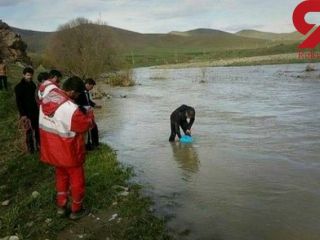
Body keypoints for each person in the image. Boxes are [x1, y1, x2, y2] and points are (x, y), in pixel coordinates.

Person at [39, 76, 93, 220]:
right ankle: (76, 209)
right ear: (74, 92)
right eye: (78, 94)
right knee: (77, 181)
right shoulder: (71, 110)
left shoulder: (49, 95)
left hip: (52, 151)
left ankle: (61, 207)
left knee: (61, 177)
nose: (78, 97)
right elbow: (86, 125)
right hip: (69, 152)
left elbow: (44, 85)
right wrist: (89, 113)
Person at [14, 67, 39, 153]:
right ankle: (30, 149)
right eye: (28, 75)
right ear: (23, 75)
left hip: (35, 111)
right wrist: (23, 114)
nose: (29, 77)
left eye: (31, 75)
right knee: (28, 131)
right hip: (26, 113)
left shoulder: (33, 85)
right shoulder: (18, 87)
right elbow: (18, 102)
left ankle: (39, 146)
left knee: (37, 129)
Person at [75, 78, 101, 150]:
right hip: (83, 113)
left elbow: (88, 101)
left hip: (88, 113)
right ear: (87, 84)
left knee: (93, 128)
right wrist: (85, 109)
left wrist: (95, 105)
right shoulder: (80, 92)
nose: (92, 88)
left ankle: (94, 144)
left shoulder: (86, 92)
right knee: (89, 129)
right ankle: (90, 145)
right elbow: (77, 103)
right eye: (92, 86)